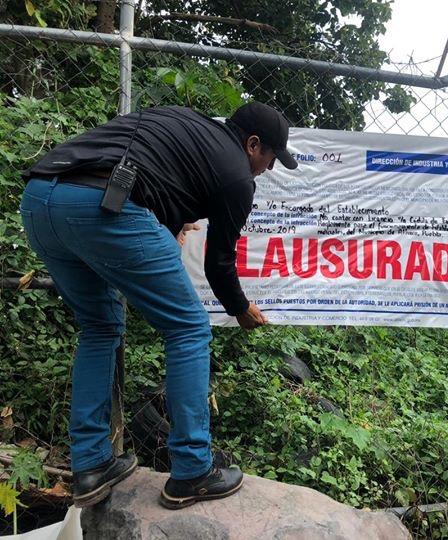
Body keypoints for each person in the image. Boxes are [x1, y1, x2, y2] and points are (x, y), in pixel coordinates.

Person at [20, 102, 298, 509]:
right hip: (101, 204)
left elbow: (153, 179)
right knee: (188, 327)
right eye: (271, 158)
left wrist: (170, 225)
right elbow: (219, 262)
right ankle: (192, 470)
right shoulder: (238, 176)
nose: (269, 169)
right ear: (253, 144)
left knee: (99, 326)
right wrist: (239, 308)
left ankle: (92, 465)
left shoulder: (187, 125)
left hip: (41, 198)